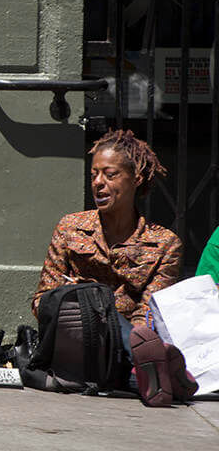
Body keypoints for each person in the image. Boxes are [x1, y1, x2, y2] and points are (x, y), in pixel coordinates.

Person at [32, 129, 192, 406]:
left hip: (122, 353)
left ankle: (149, 371)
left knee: (131, 361)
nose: (98, 183)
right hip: (74, 340)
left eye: (110, 174)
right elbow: (41, 300)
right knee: (89, 299)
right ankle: (164, 372)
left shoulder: (165, 244)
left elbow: (148, 315)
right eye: (94, 174)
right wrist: (81, 299)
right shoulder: (70, 228)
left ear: (136, 178)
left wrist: (124, 339)